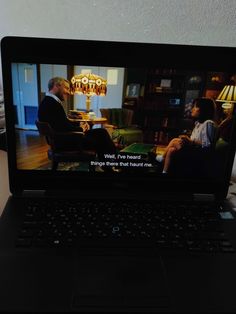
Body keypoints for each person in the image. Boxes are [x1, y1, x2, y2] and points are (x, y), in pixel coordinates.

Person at [38, 77, 117, 169]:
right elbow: (62, 128)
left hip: (61, 140)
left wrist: (79, 125)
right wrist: (81, 129)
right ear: (56, 86)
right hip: (65, 143)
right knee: (101, 137)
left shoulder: (48, 102)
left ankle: (108, 163)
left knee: (101, 132)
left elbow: (61, 124)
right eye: (66, 88)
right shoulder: (52, 104)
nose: (68, 92)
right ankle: (112, 162)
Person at [156, 97, 217, 174]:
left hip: (199, 154)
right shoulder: (198, 123)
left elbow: (207, 145)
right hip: (193, 149)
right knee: (171, 150)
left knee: (175, 140)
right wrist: (187, 141)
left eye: (195, 106)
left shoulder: (208, 123)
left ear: (203, 109)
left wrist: (191, 141)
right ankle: (164, 172)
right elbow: (192, 140)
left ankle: (162, 158)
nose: (192, 109)